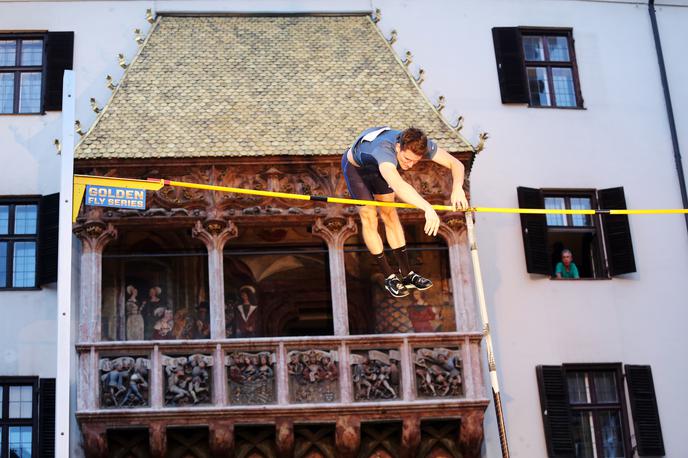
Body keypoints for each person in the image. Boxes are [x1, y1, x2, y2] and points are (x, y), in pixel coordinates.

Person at [341, 126, 468, 297]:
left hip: (381, 171)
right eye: (407, 159)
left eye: (415, 162)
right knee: (369, 216)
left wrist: (457, 188)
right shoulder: (384, 152)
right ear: (398, 147)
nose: (409, 165)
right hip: (357, 170)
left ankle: (408, 275)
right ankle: (389, 276)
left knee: (390, 214)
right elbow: (399, 185)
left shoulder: (421, 145)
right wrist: (427, 208)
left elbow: (456, 164)